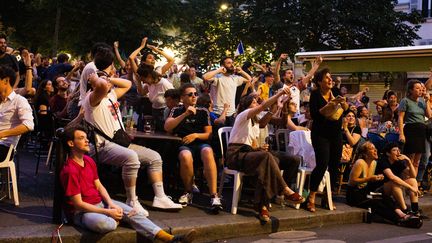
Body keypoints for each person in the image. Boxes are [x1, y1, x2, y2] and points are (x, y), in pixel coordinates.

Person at [83, 48, 182, 215]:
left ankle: (160, 197)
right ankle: (132, 200)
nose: (108, 83)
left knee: (155, 157)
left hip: (120, 142)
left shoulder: (111, 95)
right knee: (132, 158)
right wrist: (96, 79)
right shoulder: (92, 98)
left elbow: (128, 84)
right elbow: (100, 85)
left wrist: (108, 78)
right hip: (102, 146)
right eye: (105, 82)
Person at [60, 126, 196, 242]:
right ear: (71, 143)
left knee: (134, 212)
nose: (87, 140)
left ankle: (170, 239)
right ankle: (118, 219)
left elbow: (99, 186)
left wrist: (111, 204)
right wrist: (108, 211)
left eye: (86, 137)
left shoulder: (89, 161)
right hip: (82, 213)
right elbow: (78, 204)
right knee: (105, 224)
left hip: (100, 203)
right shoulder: (70, 170)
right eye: (81, 138)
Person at [225, 87, 304, 222]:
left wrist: (283, 105)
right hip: (236, 155)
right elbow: (263, 106)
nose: (257, 103)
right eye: (254, 102)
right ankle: (281, 191)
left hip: (250, 154)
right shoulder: (243, 115)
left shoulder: (256, 123)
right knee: (266, 158)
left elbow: (281, 122)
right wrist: (279, 94)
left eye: (256, 102)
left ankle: (272, 200)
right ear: (247, 106)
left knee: (292, 159)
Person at [164, 83, 222, 212]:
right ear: (182, 97)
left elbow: (208, 134)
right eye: (190, 94)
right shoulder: (176, 110)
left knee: (207, 151)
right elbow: (167, 127)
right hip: (184, 145)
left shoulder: (203, 111)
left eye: (195, 94)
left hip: (200, 143)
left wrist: (195, 135)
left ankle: (214, 195)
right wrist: (185, 114)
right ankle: (188, 191)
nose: (194, 96)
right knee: (186, 155)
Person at [347, 142, 422, 228]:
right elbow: (352, 181)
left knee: (384, 198)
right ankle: (399, 218)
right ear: (365, 154)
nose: (375, 150)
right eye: (372, 149)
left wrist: (408, 161)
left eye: (375, 148)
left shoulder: (374, 163)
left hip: (366, 191)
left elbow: (413, 176)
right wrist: (370, 178)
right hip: (355, 194)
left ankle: (403, 215)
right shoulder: (360, 162)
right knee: (378, 202)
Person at [306, 68, 348, 213]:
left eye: (331, 77)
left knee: (334, 165)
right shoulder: (315, 95)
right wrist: (329, 105)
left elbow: (347, 109)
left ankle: (326, 197)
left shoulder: (335, 92)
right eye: (327, 78)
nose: (330, 80)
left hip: (336, 134)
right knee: (322, 164)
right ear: (319, 81)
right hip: (320, 134)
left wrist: (343, 103)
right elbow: (314, 115)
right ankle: (311, 196)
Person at [203, 56, 252, 126]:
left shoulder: (235, 78)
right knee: (220, 136)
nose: (232, 65)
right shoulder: (218, 77)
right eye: (229, 63)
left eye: (232, 63)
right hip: (219, 113)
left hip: (232, 114)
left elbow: (249, 79)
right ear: (223, 66)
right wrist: (219, 70)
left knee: (230, 136)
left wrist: (241, 71)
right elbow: (205, 77)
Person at [377, 143, 421, 216]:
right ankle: (405, 210)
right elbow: (392, 177)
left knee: (412, 180)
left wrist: (409, 162)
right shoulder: (383, 161)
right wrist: (411, 188)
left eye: (398, 150)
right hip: (380, 189)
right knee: (394, 182)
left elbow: (413, 176)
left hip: (394, 187)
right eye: (394, 150)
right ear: (388, 153)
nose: (398, 152)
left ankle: (415, 210)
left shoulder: (398, 162)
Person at [0, 65, 34, 161]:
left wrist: (2, 134)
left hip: (4, 146)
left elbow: (28, 125)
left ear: (6, 81)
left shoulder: (19, 100)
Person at [398, 79, 431, 176]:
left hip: (421, 131)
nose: (420, 90)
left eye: (421, 89)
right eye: (417, 88)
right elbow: (400, 118)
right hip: (411, 130)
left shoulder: (422, 101)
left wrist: (427, 101)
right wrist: (401, 134)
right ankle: (407, 182)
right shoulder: (405, 101)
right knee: (409, 160)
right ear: (410, 90)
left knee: (417, 161)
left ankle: (414, 184)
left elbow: (429, 115)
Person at [136, 64, 174, 131]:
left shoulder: (164, 84)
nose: (143, 82)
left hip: (164, 114)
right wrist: (138, 82)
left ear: (149, 76)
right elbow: (141, 93)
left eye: (143, 79)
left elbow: (175, 98)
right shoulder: (149, 84)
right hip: (154, 113)